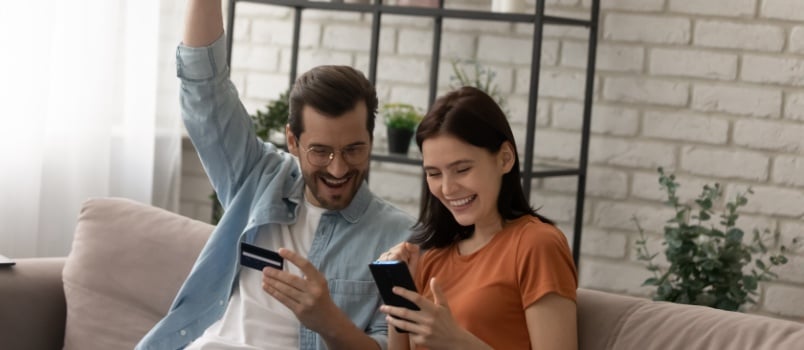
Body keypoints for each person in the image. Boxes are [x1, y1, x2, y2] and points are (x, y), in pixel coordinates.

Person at [136, 1, 414, 349]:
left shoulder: (398, 237)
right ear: (293, 141)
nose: (338, 168)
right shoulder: (257, 176)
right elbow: (204, 89)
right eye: (320, 151)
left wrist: (329, 321)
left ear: (371, 140)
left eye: (353, 149)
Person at [377, 87, 578, 349]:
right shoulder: (434, 257)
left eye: (462, 169)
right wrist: (399, 293)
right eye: (434, 174)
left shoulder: (537, 245)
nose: (447, 189)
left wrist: (457, 341)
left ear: (505, 159)